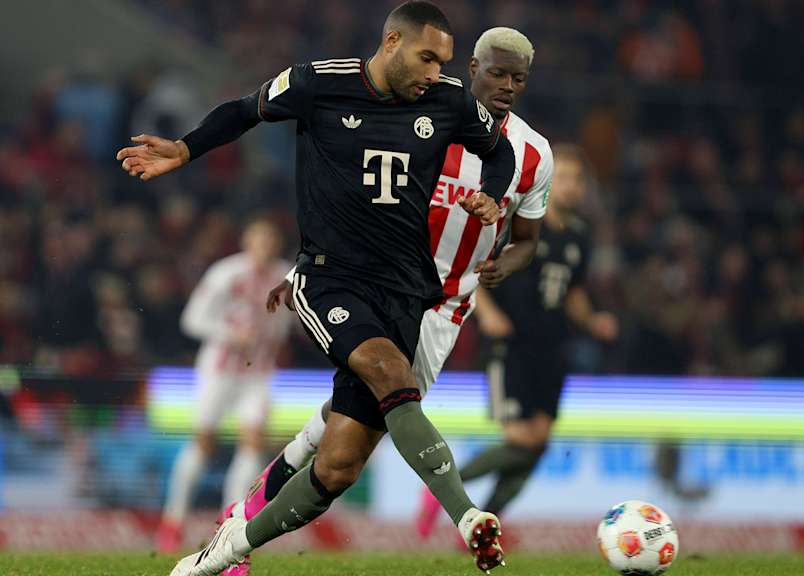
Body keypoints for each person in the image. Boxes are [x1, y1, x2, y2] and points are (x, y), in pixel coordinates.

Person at [116, 3, 518, 574]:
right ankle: (468, 517)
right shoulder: (317, 82)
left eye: (442, 62)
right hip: (330, 278)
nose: (435, 72)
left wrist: (493, 198)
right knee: (390, 373)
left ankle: (222, 552)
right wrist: (185, 149)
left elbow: (498, 150)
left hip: (404, 289)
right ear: (392, 41)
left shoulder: (449, 101)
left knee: (337, 468)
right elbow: (244, 110)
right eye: (427, 57)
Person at [213, 26, 552, 576]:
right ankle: (239, 537)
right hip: (374, 286)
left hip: (442, 312)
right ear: (471, 68)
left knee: (345, 426)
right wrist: (309, 268)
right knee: (366, 421)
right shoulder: (421, 116)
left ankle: (239, 524)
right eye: (498, 73)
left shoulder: (534, 155)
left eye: (519, 78)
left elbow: (529, 242)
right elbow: (355, 207)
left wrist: (502, 265)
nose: (508, 85)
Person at [417, 144, 618, 529]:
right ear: (548, 181)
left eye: (579, 180)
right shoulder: (520, 224)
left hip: (552, 346)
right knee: (523, 440)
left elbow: (573, 293)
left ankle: (486, 525)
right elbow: (478, 265)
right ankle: (440, 490)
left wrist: (593, 322)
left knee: (537, 445)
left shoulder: (580, 236)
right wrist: (488, 313)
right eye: (566, 178)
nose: (573, 187)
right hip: (511, 343)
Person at [155, 219, 292, 553]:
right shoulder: (226, 273)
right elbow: (192, 319)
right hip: (218, 371)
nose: (265, 247)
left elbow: (290, 317)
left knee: (252, 441)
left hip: (258, 372)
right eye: (259, 239)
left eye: (270, 240)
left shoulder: (287, 275)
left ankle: (230, 523)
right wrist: (231, 334)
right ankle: (174, 520)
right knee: (204, 442)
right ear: (247, 241)